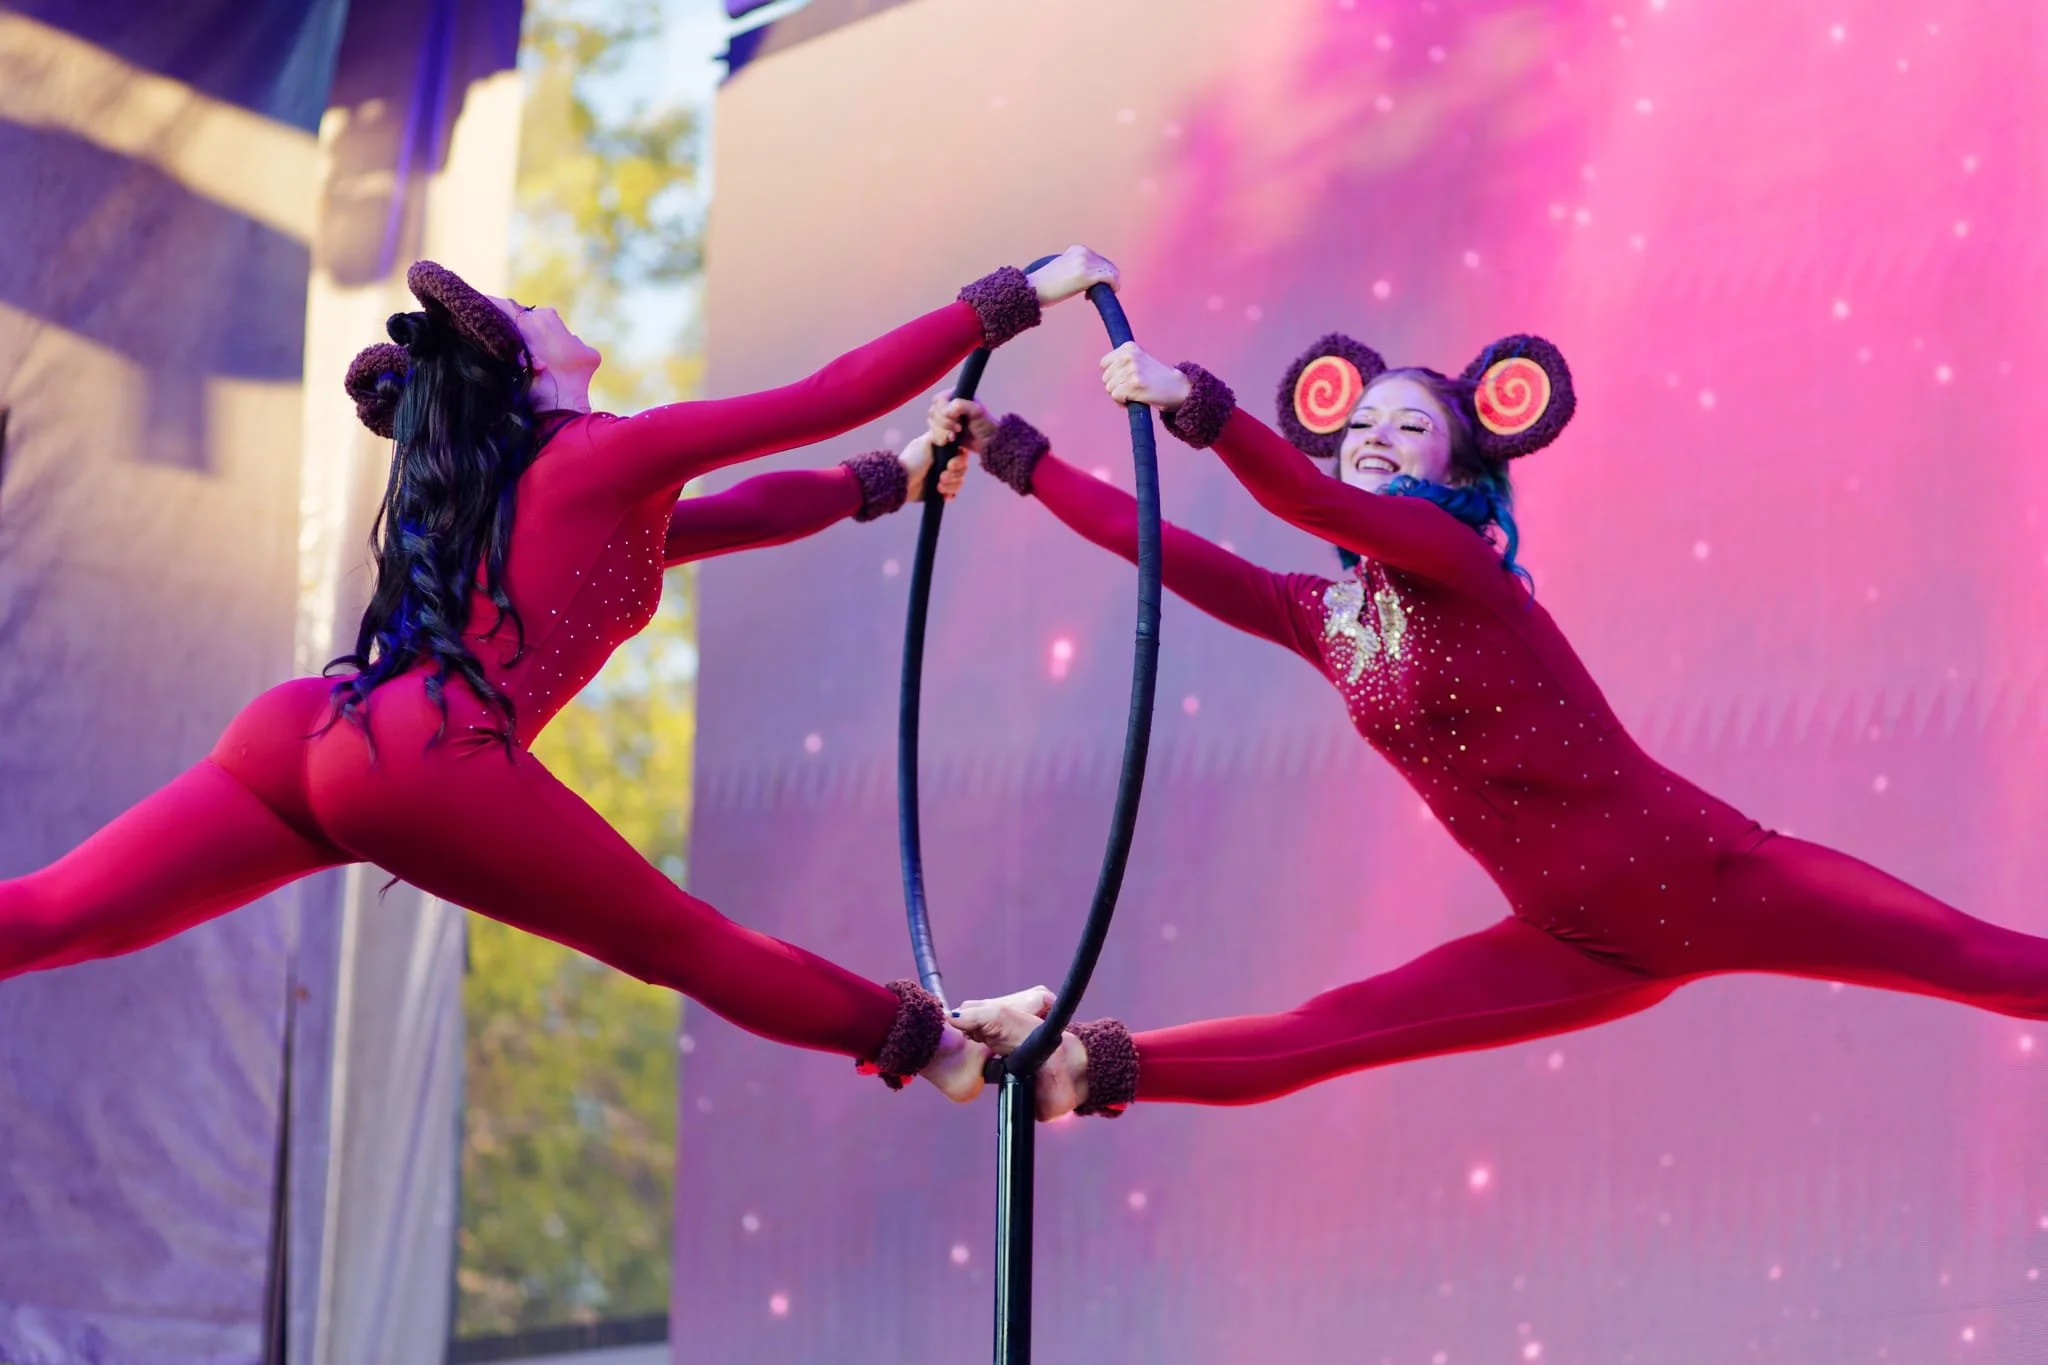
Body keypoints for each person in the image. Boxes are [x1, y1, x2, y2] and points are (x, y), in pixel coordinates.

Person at [0, 247, 1118, 1102]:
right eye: (531, 313)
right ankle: (926, 1046)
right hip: (419, 758)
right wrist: (1008, 298)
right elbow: (821, 395)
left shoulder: (557, 494)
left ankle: (926, 1044)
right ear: (530, 368)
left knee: (56, 914)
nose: (547, 307)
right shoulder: (598, 452)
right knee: (676, 939)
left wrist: (894, 481)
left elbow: (734, 515)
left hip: (309, 734)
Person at [942, 328, 2048, 1119]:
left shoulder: (1457, 561)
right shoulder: (1330, 617)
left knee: (1985, 962)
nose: (1373, 436)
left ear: (1458, 466)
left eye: (1407, 425)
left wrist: (1200, 406)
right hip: (1575, 940)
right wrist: (1019, 461)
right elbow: (1175, 560)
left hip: (1707, 870)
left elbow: (1316, 505)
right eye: (1360, 422)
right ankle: (1080, 1069)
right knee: (1334, 1027)